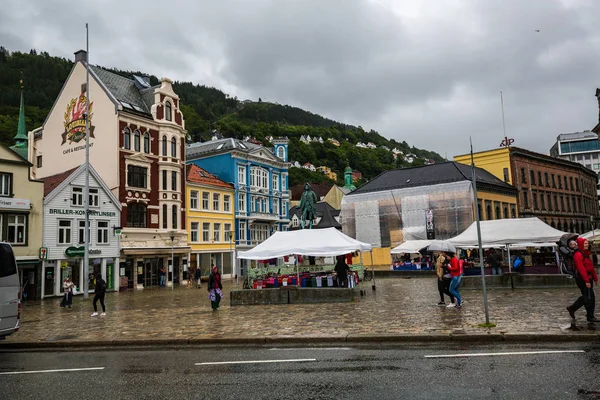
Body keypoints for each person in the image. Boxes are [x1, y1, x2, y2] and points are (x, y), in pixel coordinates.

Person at [567, 238, 599, 323]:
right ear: (581, 244)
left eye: (587, 243)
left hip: (588, 277)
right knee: (587, 297)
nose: (587, 244)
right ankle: (573, 308)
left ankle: (589, 316)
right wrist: (587, 281)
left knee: (589, 297)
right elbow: (581, 269)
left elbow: (590, 267)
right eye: (585, 243)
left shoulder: (585, 253)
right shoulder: (578, 254)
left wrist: (595, 278)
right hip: (582, 279)